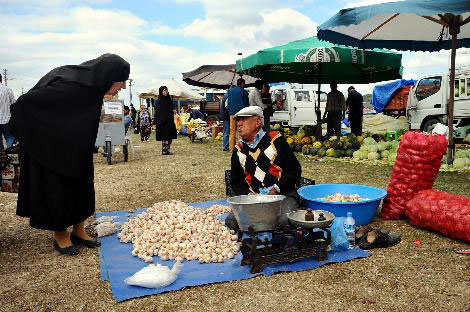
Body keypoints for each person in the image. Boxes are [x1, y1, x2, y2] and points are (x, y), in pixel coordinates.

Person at [9, 53, 129, 256]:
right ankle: (61, 236)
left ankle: (79, 230)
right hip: (54, 150)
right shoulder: (70, 85)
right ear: (109, 75)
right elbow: (25, 103)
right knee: (59, 189)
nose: (123, 86)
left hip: (77, 146)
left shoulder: (91, 88)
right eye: (122, 80)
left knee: (82, 186)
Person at [225, 106, 302, 232]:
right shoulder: (238, 151)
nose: (238, 124)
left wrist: (276, 188)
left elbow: (294, 170)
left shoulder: (275, 140)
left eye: (243, 119)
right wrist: (249, 197)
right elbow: (236, 182)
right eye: (238, 120)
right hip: (253, 202)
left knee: (284, 221)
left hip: (282, 196)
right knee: (232, 223)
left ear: (258, 122)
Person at [227, 78, 249, 152]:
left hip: (232, 114)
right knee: (240, 131)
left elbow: (228, 103)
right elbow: (246, 105)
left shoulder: (230, 91)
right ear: (242, 84)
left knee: (232, 131)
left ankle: (231, 148)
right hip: (241, 114)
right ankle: (240, 148)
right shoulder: (244, 92)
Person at [155, 86, 177, 155]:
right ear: (161, 92)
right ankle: (164, 150)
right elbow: (157, 112)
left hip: (169, 121)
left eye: (166, 90)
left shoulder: (169, 100)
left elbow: (172, 107)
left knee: (170, 136)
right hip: (162, 122)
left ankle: (167, 149)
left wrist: (174, 110)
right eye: (164, 91)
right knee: (164, 137)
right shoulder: (158, 101)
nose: (166, 92)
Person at [0, 74, 16, 152]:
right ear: (1, 79)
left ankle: (1, 156)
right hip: (7, 119)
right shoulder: (8, 89)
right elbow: (13, 104)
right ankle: (11, 154)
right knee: (9, 137)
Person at [220, 87, 232, 151]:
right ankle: (225, 146)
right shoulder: (228, 96)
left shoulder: (225, 95)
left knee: (226, 131)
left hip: (224, 115)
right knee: (227, 132)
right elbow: (227, 107)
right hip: (226, 116)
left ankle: (225, 145)